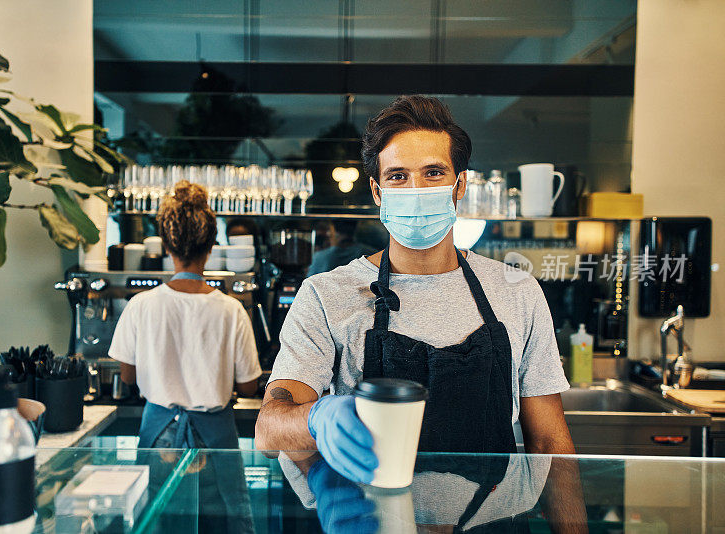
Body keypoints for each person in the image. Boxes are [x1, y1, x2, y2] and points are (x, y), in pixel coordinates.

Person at [255, 95, 575, 483]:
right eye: (398, 176)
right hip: (376, 522)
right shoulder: (326, 294)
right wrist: (319, 417)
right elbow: (269, 431)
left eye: (434, 173)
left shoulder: (517, 292)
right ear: (377, 192)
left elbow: (549, 444)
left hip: (496, 522)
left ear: (460, 185)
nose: (416, 189)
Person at [110, 181, 262, 449]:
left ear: (167, 247)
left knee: (158, 493)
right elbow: (249, 386)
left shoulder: (140, 305)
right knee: (220, 493)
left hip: (158, 432)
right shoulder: (231, 310)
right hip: (215, 434)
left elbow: (128, 377)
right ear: (211, 246)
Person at [307, 220, 376, 277]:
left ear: (335, 232)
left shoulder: (320, 257)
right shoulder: (372, 254)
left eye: (330, 229)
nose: (328, 233)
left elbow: (309, 284)